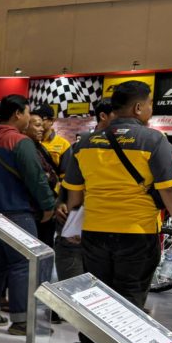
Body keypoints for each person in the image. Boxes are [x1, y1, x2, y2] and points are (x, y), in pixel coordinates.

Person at [63, 80, 172, 343]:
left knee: (96, 290)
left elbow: (74, 192)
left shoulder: (85, 143)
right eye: (150, 105)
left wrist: (73, 226)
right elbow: (169, 189)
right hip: (137, 230)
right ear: (138, 107)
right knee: (130, 289)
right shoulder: (153, 140)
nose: (151, 110)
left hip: (94, 229)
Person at [0, 94, 56, 336]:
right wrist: (48, 205)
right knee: (22, 264)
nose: (30, 118)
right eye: (28, 113)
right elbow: (36, 178)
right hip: (16, 211)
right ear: (18, 113)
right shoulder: (19, 141)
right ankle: (22, 322)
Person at [54, 97, 114, 286]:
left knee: (103, 287)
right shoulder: (82, 145)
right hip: (78, 224)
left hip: (111, 228)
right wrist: (61, 203)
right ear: (103, 116)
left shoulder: (130, 145)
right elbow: (70, 183)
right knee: (73, 283)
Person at [25, 110, 61, 245]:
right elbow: (39, 178)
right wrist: (48, 206)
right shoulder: (26, 148)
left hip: (45, 206)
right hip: (35, 209)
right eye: (37, 125)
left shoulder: (39, 147)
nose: (42, 129)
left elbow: (53, 175)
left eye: (42, 125)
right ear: (25, 126)